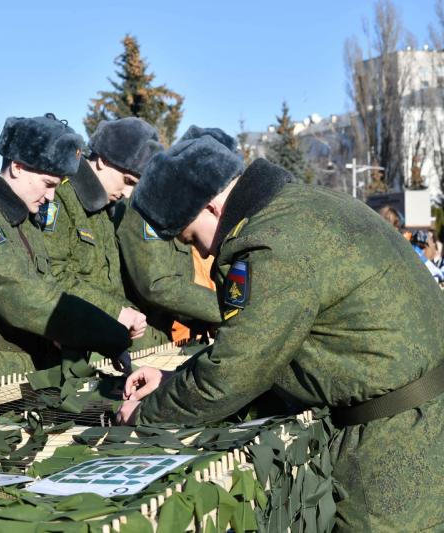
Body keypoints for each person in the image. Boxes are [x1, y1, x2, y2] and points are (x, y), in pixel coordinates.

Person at [117, 129, 444, 531]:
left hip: (396, 454)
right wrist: (174, 380)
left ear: (213, 208)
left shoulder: (273, 243)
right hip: (417, 428)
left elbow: (235, 374)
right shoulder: (303, 208)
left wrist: (147, 413)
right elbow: (263, 343)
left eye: (191, 237)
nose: (201, 252)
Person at [0, 114, 133, 386]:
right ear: (17, 167)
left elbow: (51, 287)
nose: (51, 196)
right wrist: (110, 333)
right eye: (48, 184)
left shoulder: (26, 222)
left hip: (31, 374)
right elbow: (25, 298)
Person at [39, 117, 158, 352]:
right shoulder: (60, 197)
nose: (127, 192)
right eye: (126, 181)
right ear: (102, 160)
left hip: (107, 338)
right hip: (73, 344)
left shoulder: (105, 210)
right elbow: (53, 276)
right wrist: (116, 311)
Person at [114, 126, 225, 348]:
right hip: (141, 341)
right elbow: (158, 283)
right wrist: (228, 310)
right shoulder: (149, 202)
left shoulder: (186, 206)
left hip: (174, 334)